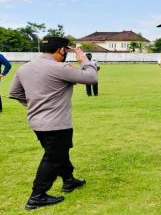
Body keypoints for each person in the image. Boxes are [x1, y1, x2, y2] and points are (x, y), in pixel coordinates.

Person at [9, 37, 98, 209]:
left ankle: (69, 181)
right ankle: (37, 196)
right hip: (57, 123)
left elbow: (15, 92)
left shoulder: (25, 68)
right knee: (53, 158)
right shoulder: (60, 67)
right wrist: (83, 59)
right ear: (61, 50)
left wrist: (37, 105)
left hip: (37, 122)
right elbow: (92, 77)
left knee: (58, 153)